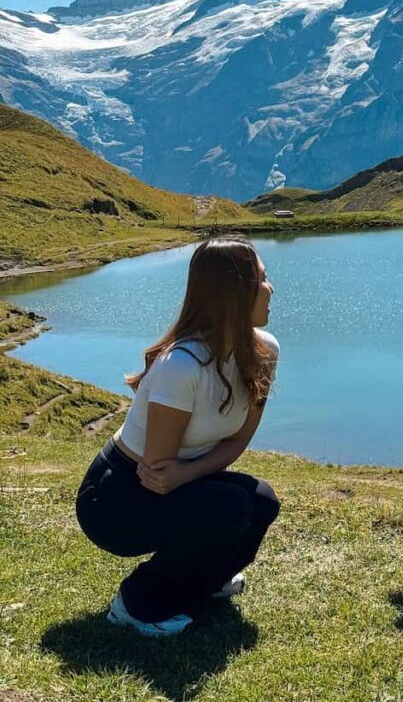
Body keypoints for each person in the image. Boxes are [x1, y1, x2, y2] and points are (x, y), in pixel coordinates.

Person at [75, 237, 281, 637]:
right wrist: (188, 477)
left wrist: (190, 475)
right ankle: (136, 604)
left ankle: (206, 580)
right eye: (262, 279)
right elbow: (157, 472)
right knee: (231, 507)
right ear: (234, 293)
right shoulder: (181, 366)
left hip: (180, 477)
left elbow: (236, 442)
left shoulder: (264, 351)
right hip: (117, 498)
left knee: (261, 501)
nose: (271, 289)